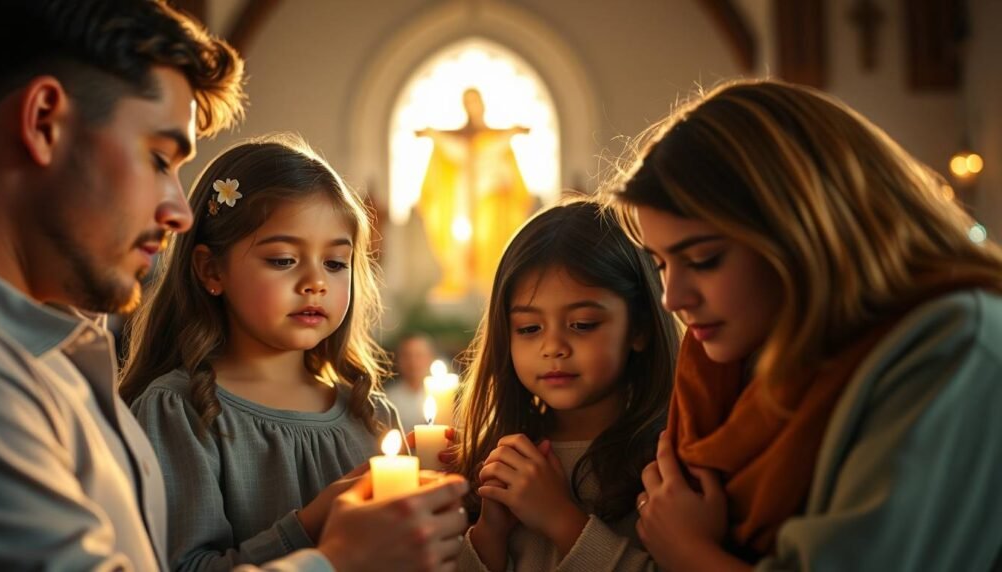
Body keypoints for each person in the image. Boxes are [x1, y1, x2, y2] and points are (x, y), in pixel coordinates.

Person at [0, 2, 467, 570]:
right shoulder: (4, 382)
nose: (179, 211)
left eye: (336, 263)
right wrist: (333, 557)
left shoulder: (60, 364)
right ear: (44, 123)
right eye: (158, 158)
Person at [612, 79, 1002, 571]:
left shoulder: (956, 346)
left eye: (705, 259)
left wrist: (690, 554)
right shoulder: (736, 363)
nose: (672, 298)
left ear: (804, 230)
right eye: (662, 264)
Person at [118, 134, 398, 570]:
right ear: (212, 270)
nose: (315, 283)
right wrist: (312, 526)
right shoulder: (180, 412)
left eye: (335, 263)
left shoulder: (371, 415)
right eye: (284, 260)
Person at [453, 198, 682, 571]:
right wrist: (489, 533)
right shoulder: (495, 458)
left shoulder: (667, 463)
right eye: (529, 329)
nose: (553, 347)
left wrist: (561, 519)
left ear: (639, 327)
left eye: (582, 324)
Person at [415, 88, 534, 298]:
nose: (472, 107)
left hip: (488, 199)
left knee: (489, 238)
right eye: (468, 103)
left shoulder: (494, 139)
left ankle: (490, 281)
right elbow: (448, 148)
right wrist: (433, 134)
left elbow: (505, 162)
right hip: (463, 197)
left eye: (475, 102)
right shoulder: (459, 138)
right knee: (459, 241)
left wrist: (512, 133)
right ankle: (459, 278)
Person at [386, 332, 439, 430]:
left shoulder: (443, 395)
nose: (413, 362)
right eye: (407, 356)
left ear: (430, 358)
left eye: (419, 355)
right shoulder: (389, 398)